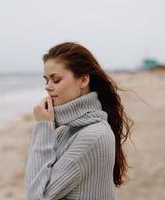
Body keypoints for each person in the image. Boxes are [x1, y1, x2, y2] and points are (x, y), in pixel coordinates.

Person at [24, 42, 133, 199]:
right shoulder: (66, 129)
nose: (48, 87)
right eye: (46, 80)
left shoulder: (93, 135)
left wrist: (43, 127)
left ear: (83, 80)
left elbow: (35, 197)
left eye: (56, 80)